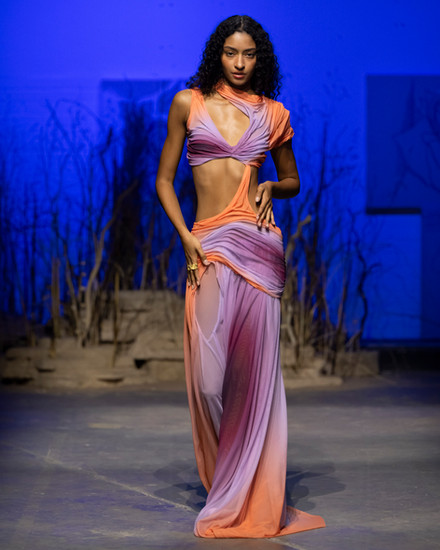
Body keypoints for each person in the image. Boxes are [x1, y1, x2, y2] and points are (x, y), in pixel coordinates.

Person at [156, 15, 325, 539]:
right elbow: (164, 181)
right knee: (210, 383)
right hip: (206, 245)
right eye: (231, 52)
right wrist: (185, 236)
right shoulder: (188, 103)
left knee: (253, 380)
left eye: (249, 54)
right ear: (218, 53)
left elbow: (293, 179)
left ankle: (244, 493)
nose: (239, 63)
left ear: (260, 58)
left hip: (257, 245)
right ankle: (229, 480)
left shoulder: (273, 114)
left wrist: (272, 187)